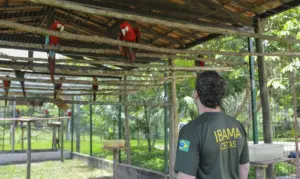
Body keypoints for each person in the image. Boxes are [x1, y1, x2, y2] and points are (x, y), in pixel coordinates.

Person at [174, 71, 250, 179]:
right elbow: (244, 166)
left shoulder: (190, 131)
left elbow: (185, 177)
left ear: (196, 94)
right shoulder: (237, 126)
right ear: (221, 95)